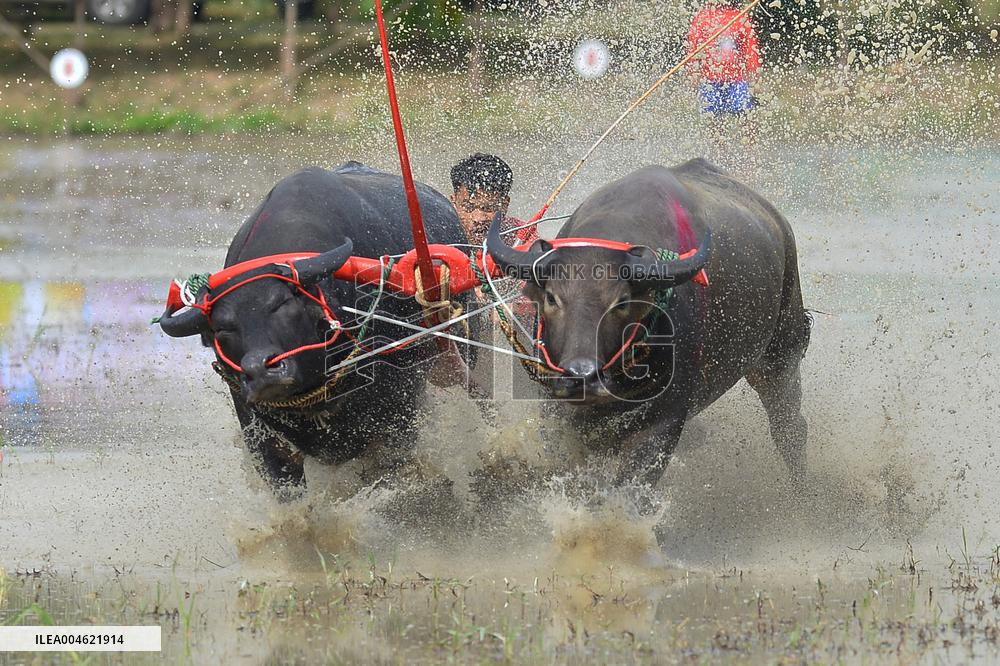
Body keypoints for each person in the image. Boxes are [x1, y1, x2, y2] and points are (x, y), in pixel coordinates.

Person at [686, 1, 762, 161]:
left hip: (737, 78)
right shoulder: (703, 18)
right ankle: (719, 152)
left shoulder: (740, 17)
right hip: (710, 78)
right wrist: (693, 71)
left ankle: (751, 152)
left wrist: (753, 71)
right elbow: (693, 47)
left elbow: (750, 48)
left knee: (746, 114)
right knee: (714, 117)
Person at [449, 153, 538, 247]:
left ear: (504, 205)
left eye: (488, 208)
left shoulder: (522, 235)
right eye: (468, 207)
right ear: (453, 202)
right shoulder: (439, 231)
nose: (478, 218)